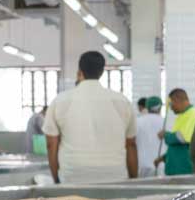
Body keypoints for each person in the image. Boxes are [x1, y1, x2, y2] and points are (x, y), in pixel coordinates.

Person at [43, 51, 137, 183]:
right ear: (102, 72)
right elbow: (131, 145)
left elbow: (51, 144)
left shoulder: (60, 101)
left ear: (80, 71)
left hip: (73, 175)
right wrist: (134, 181)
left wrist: (56, 179)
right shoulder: (122, 101)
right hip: (114, 175)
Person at [158, 88, 195, 176]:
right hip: (175, 169)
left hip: (183, 169)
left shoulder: (193, 114)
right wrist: (164, 157)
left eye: (171, 104)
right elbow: (177, 146)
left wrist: (166, 135)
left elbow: (182, 138)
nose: (171, 108)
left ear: (177, 100)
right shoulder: (181, 116)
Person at [135, 97, 164, 178]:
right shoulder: (165, 122)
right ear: (160, 107)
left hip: (142, 165)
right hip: (160, 166)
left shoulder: (138, 122)